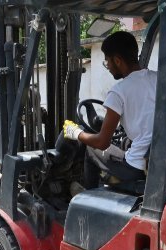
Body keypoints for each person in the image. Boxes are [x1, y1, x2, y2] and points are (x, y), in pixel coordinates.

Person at [63, 31, 157, 189]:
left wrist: (76, 133)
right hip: (162, 161)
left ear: (118, 60)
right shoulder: (160, 78)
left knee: (91, 148)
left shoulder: (118, 91)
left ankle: (88, 197)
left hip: (137, 168)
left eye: (107, 61)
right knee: (125, 142)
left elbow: (102, 142)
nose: (108, 66)